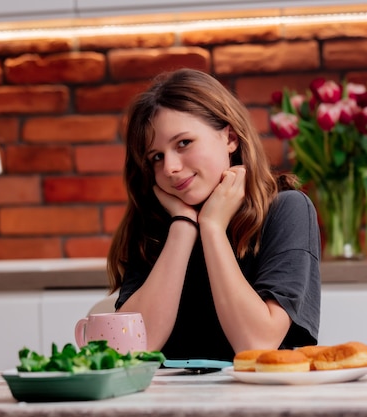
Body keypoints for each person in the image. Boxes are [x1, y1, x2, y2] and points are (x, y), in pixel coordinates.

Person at [107, 68, 321, 361]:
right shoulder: (155, 224)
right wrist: (183, 227)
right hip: (162, 403)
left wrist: (212, 227)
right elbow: (132, 350)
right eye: (156, 157)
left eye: (183, 143)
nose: (169, 167)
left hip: (257, 402)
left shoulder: (286, 209)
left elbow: (256, 345)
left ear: (230, 137)